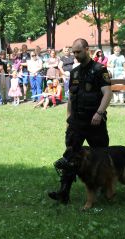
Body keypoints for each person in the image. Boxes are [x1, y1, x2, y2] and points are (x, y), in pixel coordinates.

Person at [48, 38, 112, 204]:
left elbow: (107, 93)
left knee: (101, 156)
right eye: (74, 52)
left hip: (94, 122)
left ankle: (106, 189)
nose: (75, 55)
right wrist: (68, 118)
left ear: (86, 49)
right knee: (70, 157)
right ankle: (64, 193)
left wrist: (99, 113)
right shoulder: (74, 72)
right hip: (76, 122)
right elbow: (71, 98)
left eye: (78, 51)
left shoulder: (99, 69)